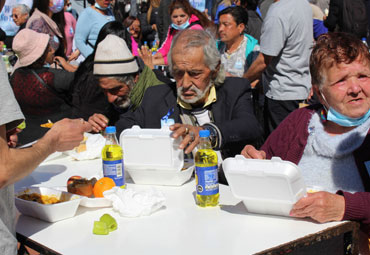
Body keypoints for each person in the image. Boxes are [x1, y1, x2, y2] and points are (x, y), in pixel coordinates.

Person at [241, 32, 370, 252]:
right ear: (320, 93)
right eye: (341, 80)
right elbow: (266, 172)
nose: (355, 89)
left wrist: (345, 207)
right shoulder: (300, 122)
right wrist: (254, 164)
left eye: (363, 76)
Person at [0, 0, 91, 253]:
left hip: (26, 143)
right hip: (47, 145)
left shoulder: (15, 75)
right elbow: (3, 170)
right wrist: (51, 142)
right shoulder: (54, 75)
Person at [116, 29, 263, 163]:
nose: (185, 83)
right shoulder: (156, 96)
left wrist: (207, 133)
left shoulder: (234, 89)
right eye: (178, 73)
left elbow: (249, 125)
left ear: (214, 69)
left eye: (195, 73)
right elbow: (122, 128)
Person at [244, 0, 313, 136]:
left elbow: (264, 59)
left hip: (283, 93)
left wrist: (242, 80)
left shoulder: (278, 12)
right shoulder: (302, 4)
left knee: (280, 147)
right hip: (301, 88)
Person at [88, 34, 163, 132]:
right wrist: (96, 123)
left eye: (115, 89)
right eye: (104, 91)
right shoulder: (118, 96)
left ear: (135, 78)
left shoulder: (158, 96)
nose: (110, 99)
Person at [10, 29, 75, 144]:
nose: (53, 50)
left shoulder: (16, 75)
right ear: (42, 54)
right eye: (48, 48)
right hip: (56, 136)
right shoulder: (54, 76)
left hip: (26, 138)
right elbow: (85, 82)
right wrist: (67, 66)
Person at [153, 0, 212, 66]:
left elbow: (184, 56)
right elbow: (167, 46)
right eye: (175, 17)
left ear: (189, 15)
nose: (179, 20)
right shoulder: (173, 28)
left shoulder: (195, 30)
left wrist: (158, 61)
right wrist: (157, 55)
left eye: (182, 16)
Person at [217, 6, 259, 78]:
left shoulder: (253, 50)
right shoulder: (216, 47)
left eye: (226, 25)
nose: (220, 29)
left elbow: (257, 80)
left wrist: (236, 82)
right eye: (219, 24)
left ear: (240, 27)